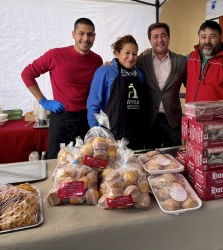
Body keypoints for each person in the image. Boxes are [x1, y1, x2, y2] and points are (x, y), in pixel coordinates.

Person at [21, 18, 103, 159]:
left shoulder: (97, 60)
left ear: (94, 36)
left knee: (85, 163)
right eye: (81, 33)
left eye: (89, 34)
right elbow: (27, 74)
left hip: (86, 119)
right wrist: (44, 101)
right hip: (61, 118)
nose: (85, 38)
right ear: (73, 34)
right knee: (57, 162)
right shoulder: (55, 55)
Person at [87, 35, 145, 150]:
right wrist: (97, 134)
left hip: (137, 136)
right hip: (111, 138)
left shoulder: (140, 74)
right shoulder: (105, 71)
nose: (131, 57)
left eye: (134, 54)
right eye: (127, 53)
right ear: (117, 53)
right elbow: (93, 104)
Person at [137, 22, 186, 149]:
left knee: (175, 158)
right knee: (151, 160)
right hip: (149, 121)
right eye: (155, 36)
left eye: (163, 35)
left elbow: (190, 86)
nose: (160, 40)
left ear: (168, 38)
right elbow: (123, 62)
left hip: (173, 120)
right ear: (149, 40)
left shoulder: (180, 61)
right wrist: (112, 63)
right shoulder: (141, 61)